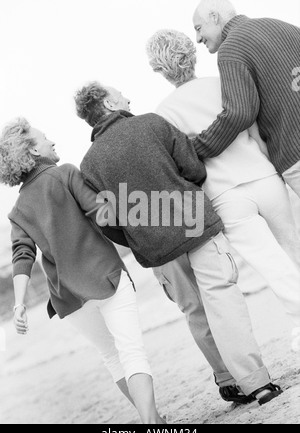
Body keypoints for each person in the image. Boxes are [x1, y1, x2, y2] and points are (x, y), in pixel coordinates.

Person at [75, 81, 283, 406]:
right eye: (120, 94)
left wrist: (137, 234)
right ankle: (257, 383)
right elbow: (194, 168)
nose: (127, 96)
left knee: (194, 310)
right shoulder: (153, 123)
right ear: (110, 103)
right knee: (222, 299)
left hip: (155, 247)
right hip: (194, 225)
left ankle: (228, 381)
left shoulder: (89, 165)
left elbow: (105, 221)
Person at [0, 118, 164, 425]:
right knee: (131, 352)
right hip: (107, 278)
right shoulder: (64, 174)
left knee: (113, 358)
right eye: (45, 137)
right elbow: (102, 213)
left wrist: (19, 303)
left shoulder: (18, 209)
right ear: (33, 150)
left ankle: (153, 420)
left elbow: (22, 255)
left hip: (69, 298)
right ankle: (152, 424)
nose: (52, 141)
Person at [146, 29, 300, 351]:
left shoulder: (163, 113)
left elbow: (184, 165)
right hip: (264, 176)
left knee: (272, 266)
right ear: (193, 53)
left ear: (159, 70)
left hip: (226, 196)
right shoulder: (222, 84)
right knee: (293, 253)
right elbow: (256, 132)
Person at [192, 0, 300, 199]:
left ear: (214, 17)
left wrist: (195, 148)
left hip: (295, 151)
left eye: (199, 28)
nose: (198, 38)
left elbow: (239, 113)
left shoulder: (231, 48)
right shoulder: (284, 26)